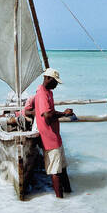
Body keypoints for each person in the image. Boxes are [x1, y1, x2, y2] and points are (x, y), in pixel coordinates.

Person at [31, 67, 73, 198]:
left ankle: (69, 193)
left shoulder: (49, 92)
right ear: (47, 78)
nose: (56, 85)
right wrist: (64, 114)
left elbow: (50, 113)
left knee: (63, 167)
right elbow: (48, 116)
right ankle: (60, 202)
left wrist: (62, 114)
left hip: (56, 137)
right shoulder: (42, 94)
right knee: (55, 171)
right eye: (55, 82)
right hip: (49, 138)